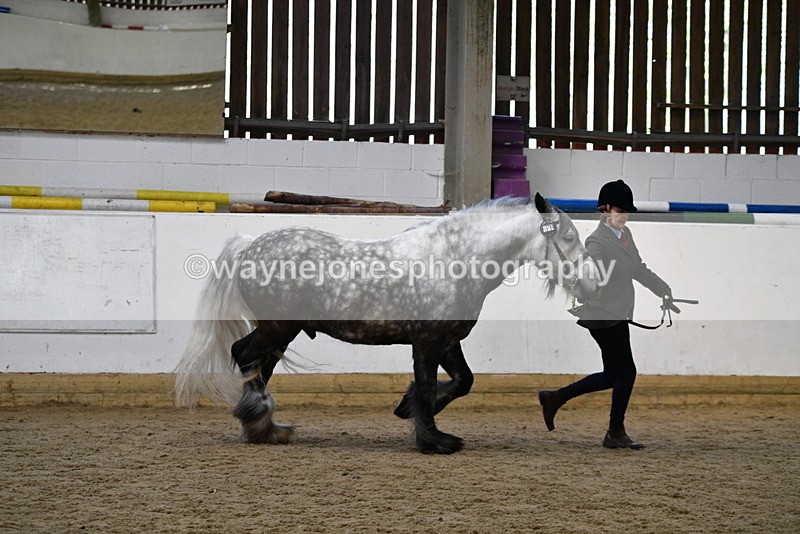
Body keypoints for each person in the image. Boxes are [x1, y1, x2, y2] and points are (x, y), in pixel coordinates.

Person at [538, 179, 671, 450]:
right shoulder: (596, 241)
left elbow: (638, 269)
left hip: (617, 312)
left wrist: (663, 290)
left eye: (626, 211)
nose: (624, 216)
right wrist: (590, 294)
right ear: (605, 209)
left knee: (613, 374)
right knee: (627, 372)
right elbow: (590, 272)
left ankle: (556, 397)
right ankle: (615, 432)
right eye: (619, 210)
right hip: (604, 313)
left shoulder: (625, 236)